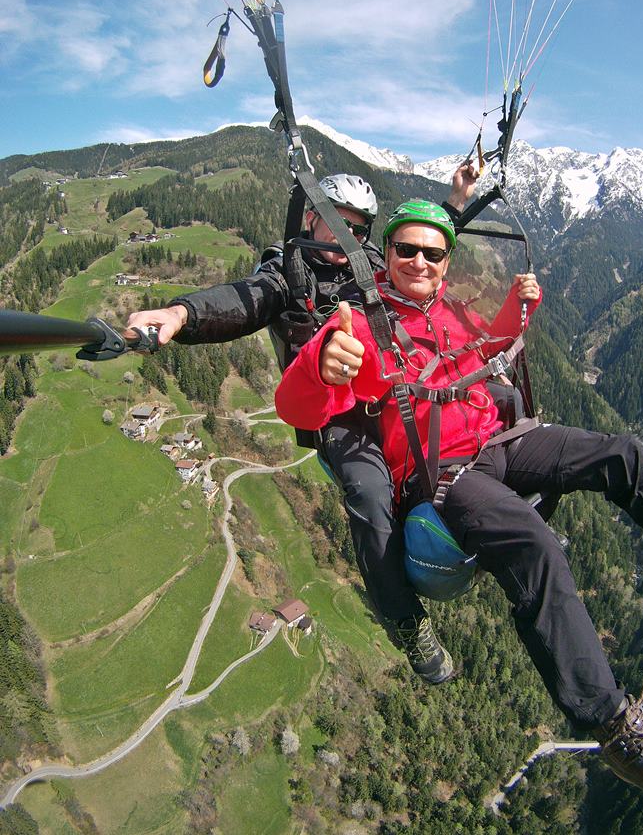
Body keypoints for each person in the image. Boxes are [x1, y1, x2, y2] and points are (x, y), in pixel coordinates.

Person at [274, 198, 643, 806]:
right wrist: (322, 363)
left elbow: (485, 349)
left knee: (621, 453)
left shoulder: (447, 310)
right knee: (533, 541)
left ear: (446, 265)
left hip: (499, 444)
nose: (419, 261)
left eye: (433, 253)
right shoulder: (361, 326)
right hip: (441, 472)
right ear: (385, 258)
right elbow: (298, 410)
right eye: (406, 250)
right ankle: (615, 727)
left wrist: (517, 309)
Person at [125, 171, 477, 685]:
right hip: (334, 414)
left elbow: (420, 258)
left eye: (355, 230)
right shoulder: (286, 277)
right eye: (335, 227)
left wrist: (456, 204)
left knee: (466, 437)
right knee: (371, 491)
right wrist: (181, 314)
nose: (343, 241)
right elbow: (242, 301)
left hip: (385, 392)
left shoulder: (369, 266)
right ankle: (404, 620)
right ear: (311, 220)